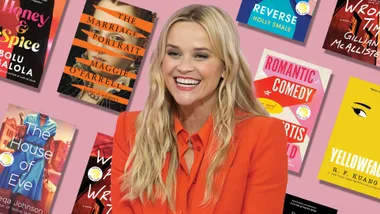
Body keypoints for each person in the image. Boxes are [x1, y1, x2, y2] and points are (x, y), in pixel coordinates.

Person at [111, 4, 288, 214]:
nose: (184, 67)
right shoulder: (131, 128)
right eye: (174, 53)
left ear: (226, 67)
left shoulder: (262, 135)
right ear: (161, 62)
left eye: (201, 56)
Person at [58, 0, 154, 112]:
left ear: (141, 47)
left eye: (116, 38)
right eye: (96, 32)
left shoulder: (139, 103)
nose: (99, 46)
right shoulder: (64, 70)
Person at [0, 112, 57, 213]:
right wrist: (21, 129)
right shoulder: (29, 117)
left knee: (26, 186)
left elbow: (48, 146)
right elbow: (21, 136)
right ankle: (12, 210)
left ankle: (14, 210)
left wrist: (47, 166)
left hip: (38, 158)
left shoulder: (53, 125)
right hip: (22, 152)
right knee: (15, 187)